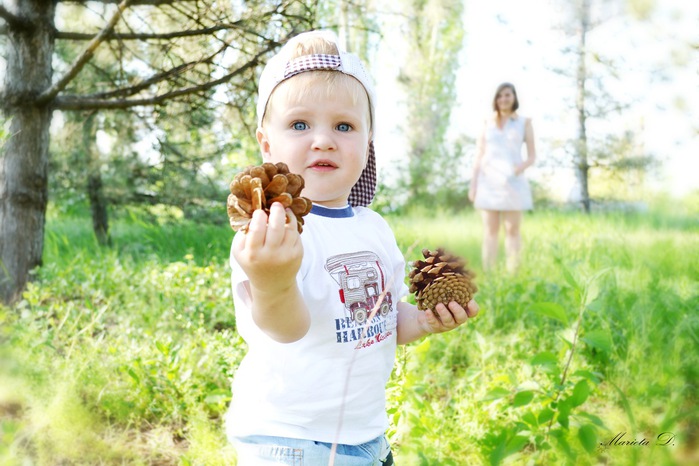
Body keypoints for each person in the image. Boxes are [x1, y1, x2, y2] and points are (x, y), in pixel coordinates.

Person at [226, 30, 480, 465]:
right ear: (267, 143)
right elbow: (286, 328)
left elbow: (381, 319)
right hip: (291, 438)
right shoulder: (272, 230)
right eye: (300, 124)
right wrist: (273, 284)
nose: (323, 140)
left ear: (368, 145)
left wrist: (423, 321)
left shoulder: (374, 228)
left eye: (344, 126)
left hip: (366, 436)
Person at [468, 82, 536, 272]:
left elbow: (532, 156)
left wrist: (519, 168)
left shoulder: (524, 122)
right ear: (495, 99)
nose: (503, 99)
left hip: (513, 182)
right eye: (500, 96)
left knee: (512, 230)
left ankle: (512, 273)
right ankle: (489, 273)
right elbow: (479, 155)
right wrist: (473, 184)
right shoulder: (487, 122)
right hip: (488, 182)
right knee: (490, 231)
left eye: (507, 95)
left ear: (514, 97)